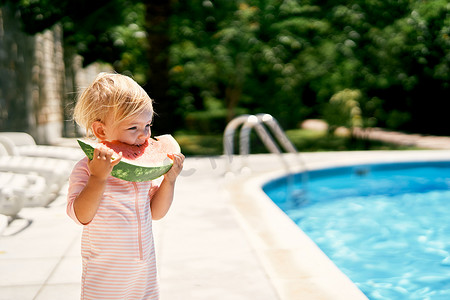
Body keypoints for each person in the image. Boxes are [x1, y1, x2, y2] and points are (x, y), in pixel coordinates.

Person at [67, 72, 184, 299]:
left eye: (148, 125)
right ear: (101, 131)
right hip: (107, 273)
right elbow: (80, 215)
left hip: (144, 269)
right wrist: (98, 178)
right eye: (133, 128)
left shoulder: (139, 171)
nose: (144, 136)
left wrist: (169, 181)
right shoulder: (86, 168)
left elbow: (156, 213)